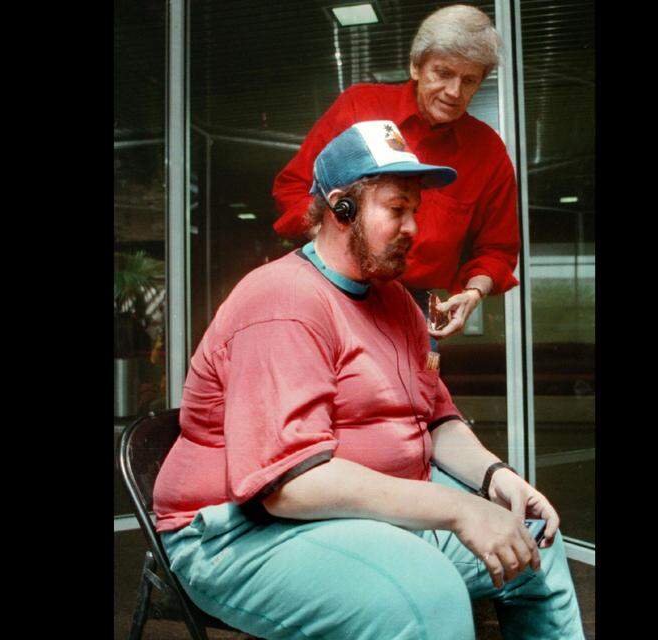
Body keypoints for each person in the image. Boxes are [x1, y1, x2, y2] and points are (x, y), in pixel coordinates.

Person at [154, 120, 584, 640]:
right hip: (240, 534)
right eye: (397, 209)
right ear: (341, 208)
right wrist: (460, 509)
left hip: (363, 512)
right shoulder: (284, 302)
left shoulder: (395, 299)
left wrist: (496, 479)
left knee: (535, 540)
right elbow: (290, 485)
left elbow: (437, 419)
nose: (413, 228)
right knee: (426, 595)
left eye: (414, 212)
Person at [272, 4, 519, 342]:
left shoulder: (487, 150)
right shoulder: (359, 106)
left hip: (418, 305)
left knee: (419, 391)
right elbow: (293, 188)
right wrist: (330, 242)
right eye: (443, 73)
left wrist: (473, 293)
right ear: (416, 66)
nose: (454, 92)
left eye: (469, 80)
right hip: (332, 286)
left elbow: (498, 250)